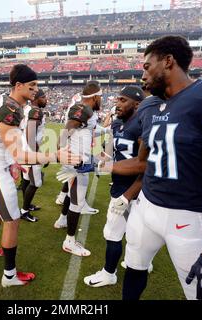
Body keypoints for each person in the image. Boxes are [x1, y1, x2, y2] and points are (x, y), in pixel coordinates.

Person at [105, 36, 202, 300]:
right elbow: (142, 162)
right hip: (145, 208)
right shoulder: (150, 106)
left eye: (147, 67)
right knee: (134, 268)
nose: (143, 75)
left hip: (187, 218)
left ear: (168, 61)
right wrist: (102, 165)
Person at [0, 64, 80, 287]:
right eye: (32, 85)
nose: (36, 90)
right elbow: (21, 154)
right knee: (12, 221)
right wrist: (55, 155)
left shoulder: (6, 99)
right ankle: (9, 276)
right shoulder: (11, 110)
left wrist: (12, 161)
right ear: (18, 85)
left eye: (36, 85)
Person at [83, 86, 151, 287]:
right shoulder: (117, 124)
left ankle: (108, 273)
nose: (117, 104)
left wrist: (128, 195)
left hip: (134, 189)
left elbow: (146, 165)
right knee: (136, 231)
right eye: (117, 100)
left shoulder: (142, 126)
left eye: (123, 100)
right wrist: (94, 157)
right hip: (122, 185)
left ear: (137, 104)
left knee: (113, 232)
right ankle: (142, 263)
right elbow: (112, 154)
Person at [54, 81, 106, 256]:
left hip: (76, 158)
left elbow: (88, 127)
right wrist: (57, 150)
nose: (102, 100)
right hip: (76, 160)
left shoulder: (87, 112)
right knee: (77, 202)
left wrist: (106, 130)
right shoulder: (83, 108)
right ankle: (69, 241)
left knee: (71, 193)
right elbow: (67, 128)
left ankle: (62, 220)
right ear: (95, 97)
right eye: (100, 97)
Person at [19, 89, 48, 222]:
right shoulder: (36, 111)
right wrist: (37, 155)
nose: (46, 100)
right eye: (44, 97)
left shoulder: (29, 109)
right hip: (31, 152)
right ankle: (24, 211)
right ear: (37, 98)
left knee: (26, 180)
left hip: (25, 150)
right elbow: (30, 135)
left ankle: (27, 205)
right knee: (35, 183)